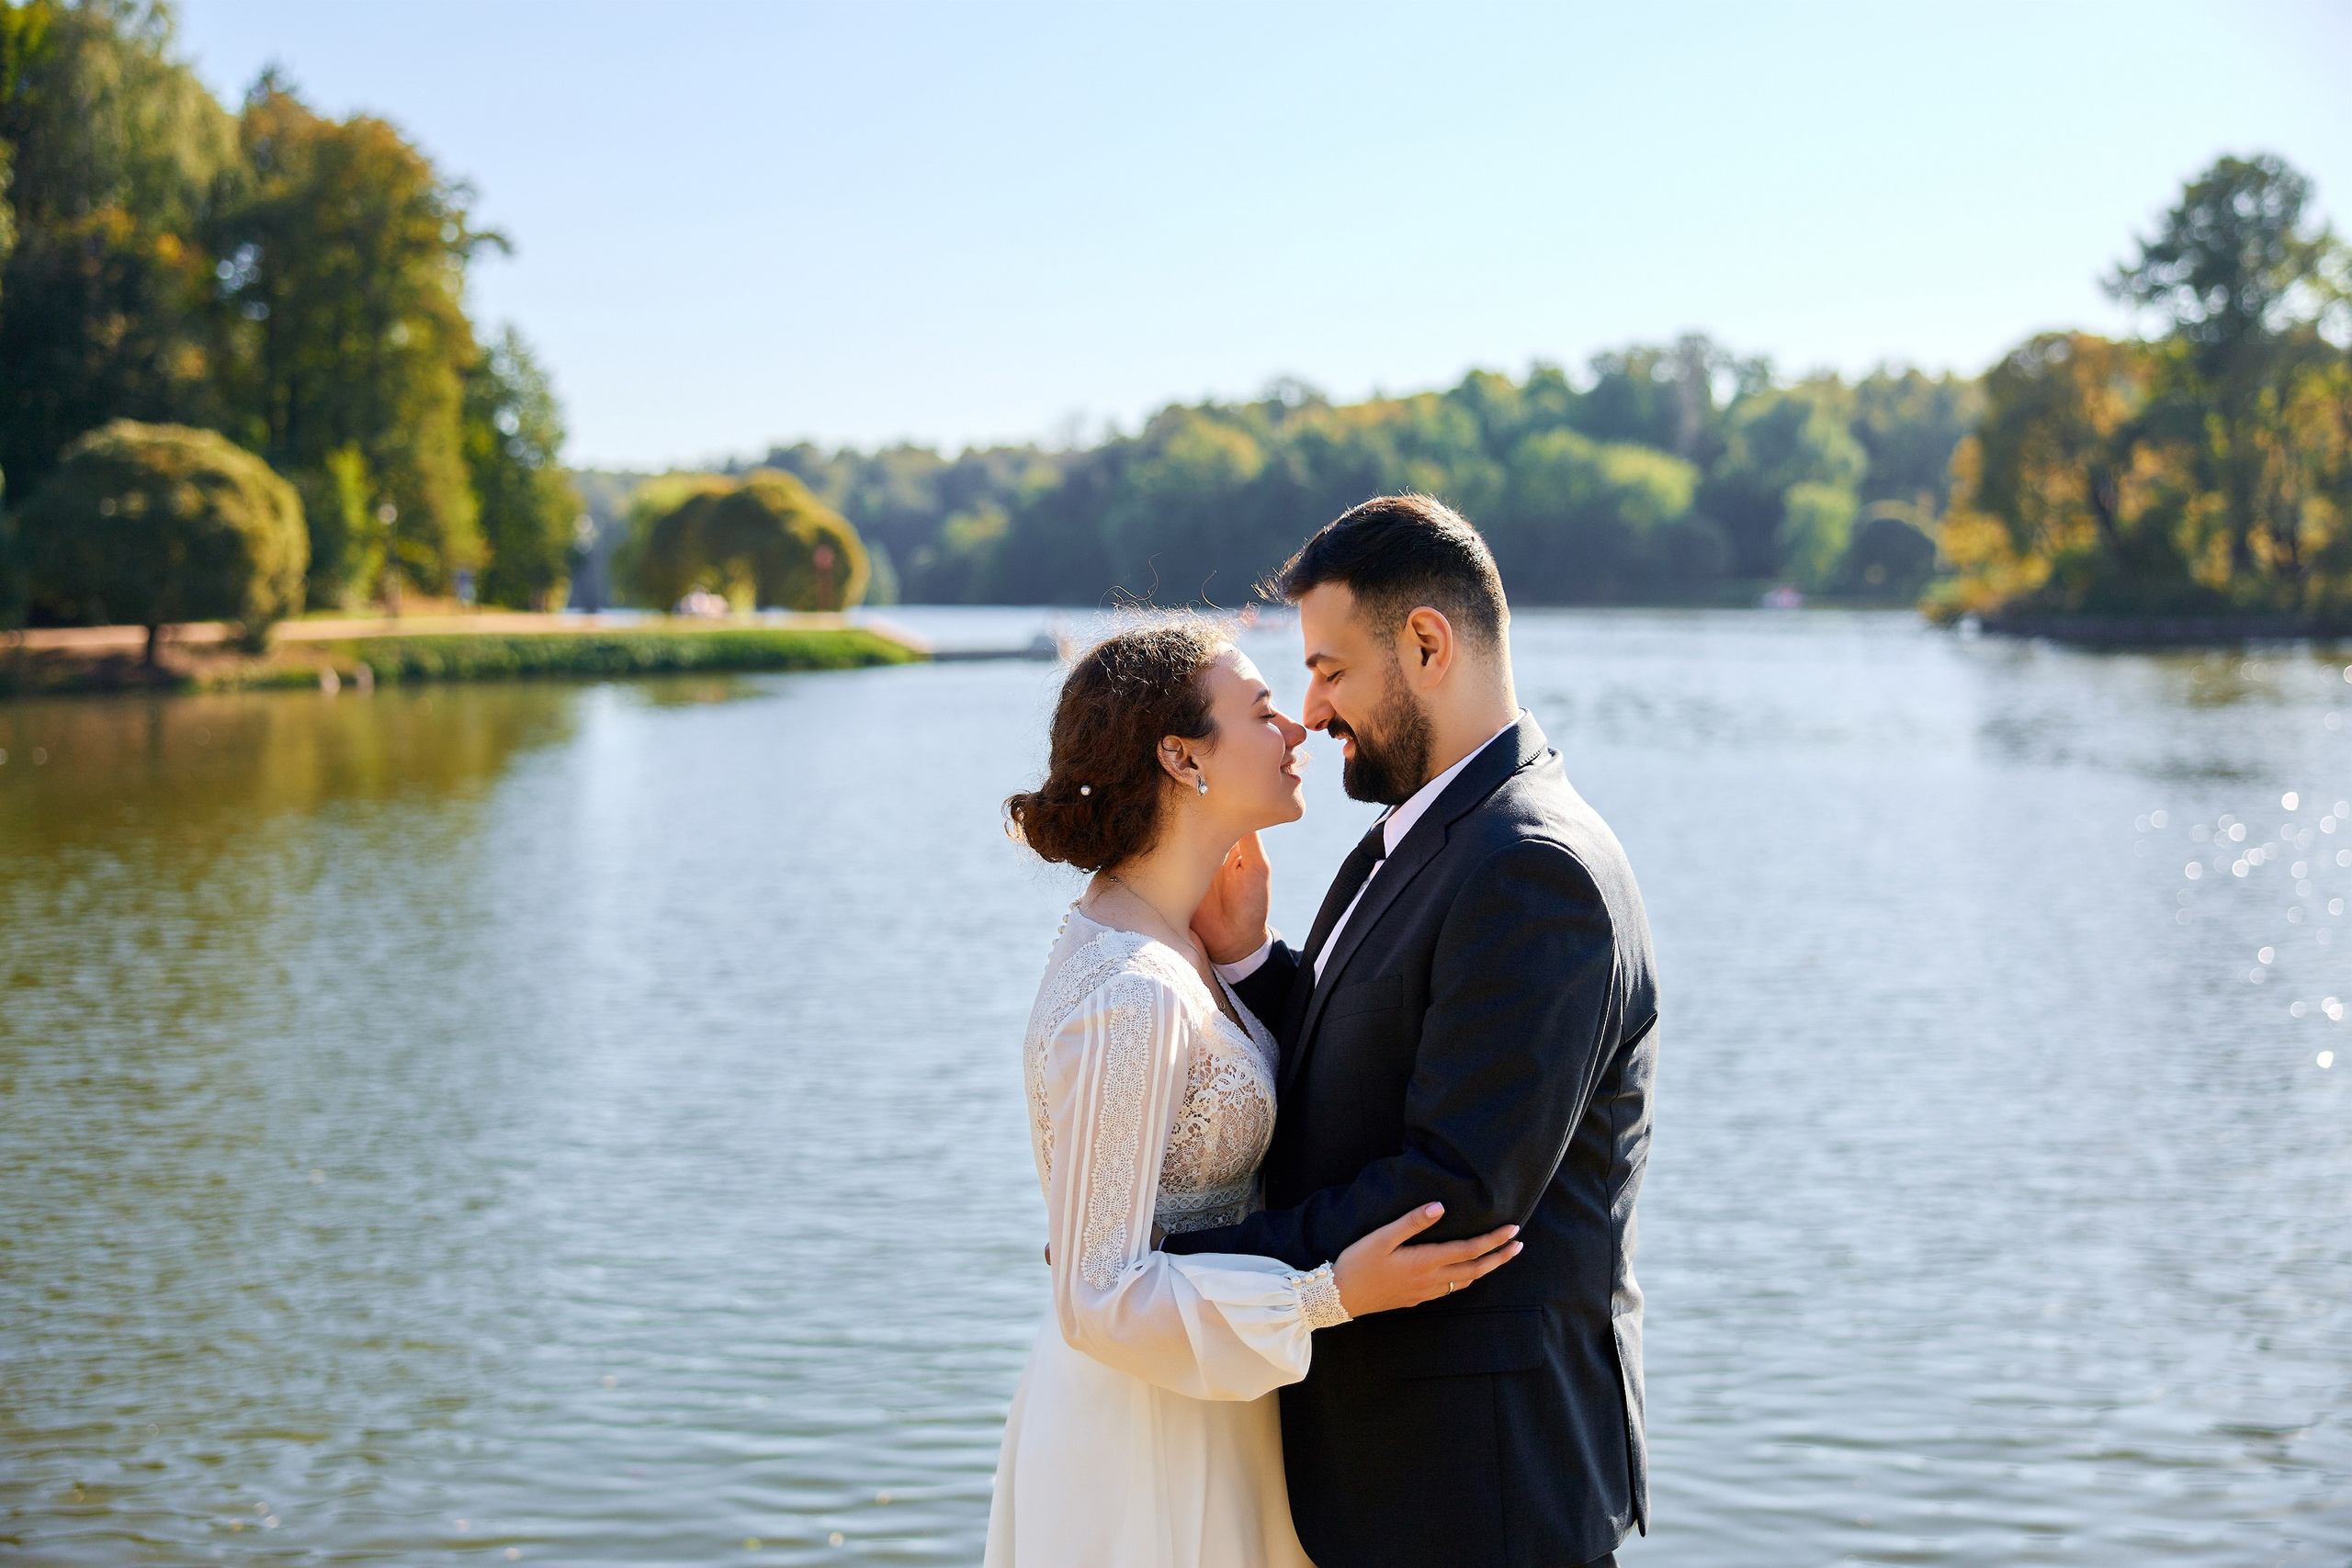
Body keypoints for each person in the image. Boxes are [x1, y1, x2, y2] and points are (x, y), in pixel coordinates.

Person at [1175, 495, 1660, 1568]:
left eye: (1330, 671)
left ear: (1428, 644)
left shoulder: (1532, 868)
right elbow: (1379, 1060)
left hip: (1480, 1491)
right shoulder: (1431, 832)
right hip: (1405, 1479)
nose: (1312, 710)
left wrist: (1176, 1268)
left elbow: (1450, 1194)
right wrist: (1250, 963)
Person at [985, 619, 1522, 1568]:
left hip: (1212, 1394)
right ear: (1181, 755)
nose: (1297, 728)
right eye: (1263, 711)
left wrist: (1244, 959)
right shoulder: (1133, 990)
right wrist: (1326, 1295)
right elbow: (1097, 1294)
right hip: (1146, 1437)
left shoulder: (1177, 944)